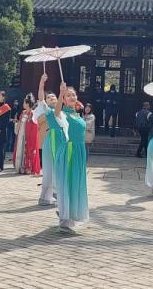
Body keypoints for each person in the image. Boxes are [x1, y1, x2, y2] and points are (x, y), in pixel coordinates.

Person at [54, 82, 89, 231]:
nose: (72, 97)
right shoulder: (63, 114)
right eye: (68, 95)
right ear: (64, 99)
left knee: (76, 183)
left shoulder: (77, 114)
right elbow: (56, 114)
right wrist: (61, 94)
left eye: (73, 94)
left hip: (80, 152)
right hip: (69, 151)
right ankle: (64, 217)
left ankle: (72, 213)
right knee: (67, 184)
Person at [33, 73, 63, 206]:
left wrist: (62, 91)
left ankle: (54, 195)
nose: (51, 98)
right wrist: (41, 82)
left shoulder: (62, 111)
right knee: (49, 169)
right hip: (50, 141)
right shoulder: (47, 111)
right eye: (49, 97)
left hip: (61, 141)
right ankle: (47, 196)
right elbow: (40, 97)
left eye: (53, 97)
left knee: (58, 169)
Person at [13, 93, 39, 175]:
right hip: (21, 134)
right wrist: (17, 124)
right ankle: (21, 167)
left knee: (29, 150)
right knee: (20, 150)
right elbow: (20, 123)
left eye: (24, 102)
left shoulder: (33, 114)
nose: (23, 104)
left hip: (29, 135)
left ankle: (29, 167)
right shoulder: (23, 113)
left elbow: (35, 126)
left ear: (27, 104)